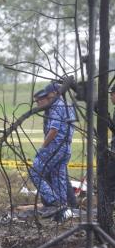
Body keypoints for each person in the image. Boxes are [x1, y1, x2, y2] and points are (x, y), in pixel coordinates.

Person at [29, 83, 75, 222]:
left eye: (47, 95)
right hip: (66, 147)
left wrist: (43, 147)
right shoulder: (68, 105)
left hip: (55, 146)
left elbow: (54, 130)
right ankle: (62, 211)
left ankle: (54, 202)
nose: (47, 98)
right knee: (58, 177)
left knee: (35, 171)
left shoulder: (56, 105)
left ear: (54, 93)